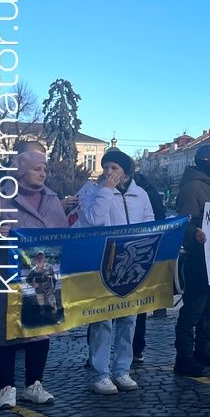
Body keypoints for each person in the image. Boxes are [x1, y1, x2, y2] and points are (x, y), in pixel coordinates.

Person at [0, 151, 64, 409]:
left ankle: (33, 385)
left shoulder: (52, 199)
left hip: (42, 278)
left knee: (39, 332)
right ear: (21, 172)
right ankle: (6, 387)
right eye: (37, 168)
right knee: (5, 333)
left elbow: (65, 236)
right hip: (8, 279)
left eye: (45, 169)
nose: (43, 173)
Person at [76, 149, 155, 394]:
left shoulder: (140, 194)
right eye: (106, 167)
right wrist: (106, 192)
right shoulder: (92, 191)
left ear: (126, 171)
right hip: (103, 261)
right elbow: (92, 219)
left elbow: (150, 221)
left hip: (131, 263)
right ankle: (100, 372)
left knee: (128, 319)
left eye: (115, 168)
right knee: (102, 319)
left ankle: (122, 369)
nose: (109, 172)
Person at [173, 145, 210, 376]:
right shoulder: (192, 188)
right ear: (204, 161)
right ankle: (184, 357)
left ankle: (202, 350)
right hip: (198, 257)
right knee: (194, 308)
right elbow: (183, 222)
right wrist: (194, 233)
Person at [130, 171, 167, 363]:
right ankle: (137, 349)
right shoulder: (151, 193)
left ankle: (134, 349)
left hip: (135, 252)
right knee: (139, 306)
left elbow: (154, 221)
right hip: (144, 253)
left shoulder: (143, 195)